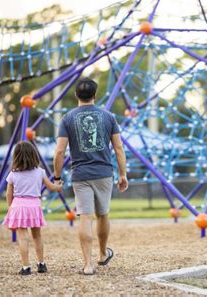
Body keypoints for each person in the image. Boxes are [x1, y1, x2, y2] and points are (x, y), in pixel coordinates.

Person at [53, 77, 128, 275]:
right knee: (103, 214)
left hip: (80, 174)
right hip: (104, 173)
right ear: (95, 95)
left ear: (76, 95)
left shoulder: (67, 118)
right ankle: (102, 254)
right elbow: (118, 148)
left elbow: (60, 151)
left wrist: (57, 177)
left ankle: (88, 265)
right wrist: (123, 174)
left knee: (85, 217)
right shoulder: (109, 117)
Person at [3, 141, 63, 275]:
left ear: (16, 157)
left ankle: (25, 267)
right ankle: (41, 264)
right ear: (34, 155)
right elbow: (52, 187)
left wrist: (10, 208)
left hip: (18, 206)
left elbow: (9, 193)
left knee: (22, 237)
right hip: (34, 206)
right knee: (37, 236)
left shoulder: (13, 174)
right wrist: (59, 186)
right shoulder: (40, 172)